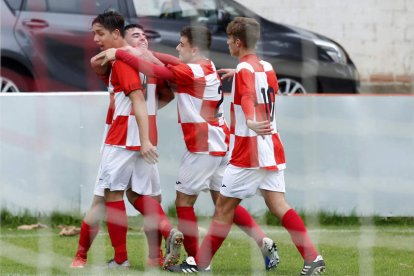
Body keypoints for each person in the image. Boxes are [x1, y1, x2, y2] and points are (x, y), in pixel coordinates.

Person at [98, 25, 280, 271]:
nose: (177, 47)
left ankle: (194, 260)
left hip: (202, 148)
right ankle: (263, 241)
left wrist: (119, 53)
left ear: (193, 49)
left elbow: (154, 69)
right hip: (221, 144)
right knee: (223, 203)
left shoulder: (189, 73)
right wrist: (142, 51)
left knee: (183, 202)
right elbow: (169, 61)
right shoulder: (206, 65)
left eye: (181, 43)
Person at [168, 17, 326, 275]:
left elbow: (249, 97)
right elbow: (264, 90)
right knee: (278, 205)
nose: (228, 44)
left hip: (248, 151)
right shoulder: (265, 66)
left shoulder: (244, 71)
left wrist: (250, 120)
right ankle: (312, 257)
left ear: (238, 42)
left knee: (223, 209)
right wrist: (239, 77)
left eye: (230, 40)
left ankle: (200, 264)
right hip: (271, 146)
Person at [70, 14, 182, 269]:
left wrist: (123, 53)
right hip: (145, 139)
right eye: (137, 36)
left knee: (106, 198)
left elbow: (139, 101)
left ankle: (115, 258)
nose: (142, 39)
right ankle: (161, 249)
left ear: (116, 34)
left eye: (100, 33)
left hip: (122, 139)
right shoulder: (146, 67)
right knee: (147, 197)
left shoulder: (123, 62)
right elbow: (165, 93)